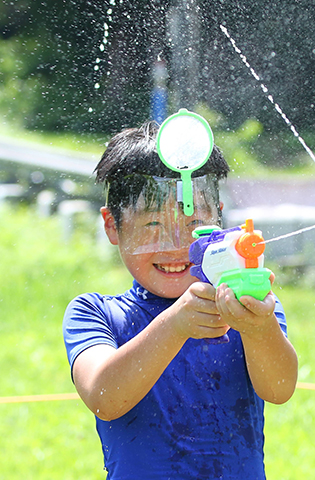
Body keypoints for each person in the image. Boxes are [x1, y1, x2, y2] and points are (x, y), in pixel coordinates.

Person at [62, 121, 298, 479]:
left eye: (194, 224)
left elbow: (280, 389)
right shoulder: (96, 313)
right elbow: (105, 398)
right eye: (152, 225)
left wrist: (259, 329)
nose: (175, 244)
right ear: (112, 225)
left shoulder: (243, 307)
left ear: (218, 218)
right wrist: (175, 324)